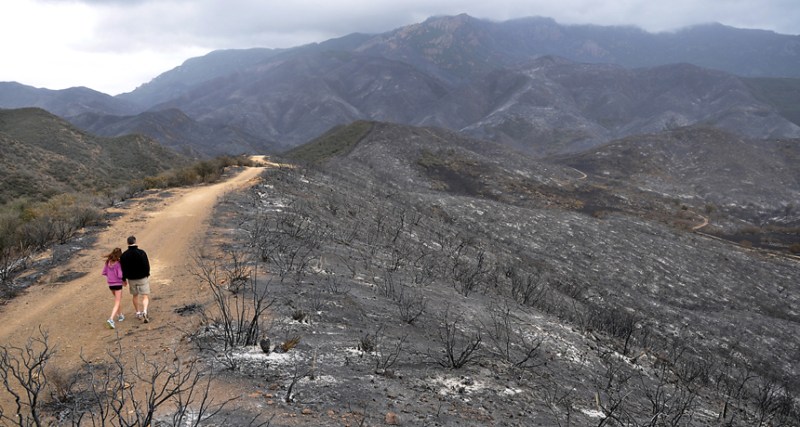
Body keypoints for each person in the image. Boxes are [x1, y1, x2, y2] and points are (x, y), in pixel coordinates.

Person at [120, 235, 151, 323]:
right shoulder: (141, 252)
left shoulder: (124, 255)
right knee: (145, 296)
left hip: (131, 279)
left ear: (127, 243)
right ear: (135, 241)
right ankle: (145, 311)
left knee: (135, 295)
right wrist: (147, 274)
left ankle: (138, 312)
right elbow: (146, 265)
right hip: (142, 277)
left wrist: (124, 279)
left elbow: (123, 269)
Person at [101, 248, 126, 329]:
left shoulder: (108, 262)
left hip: (111, 285)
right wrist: (124, 280)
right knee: (117, 301)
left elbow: (104, 272)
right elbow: (120, 275)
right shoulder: (118, 263)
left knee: (117, 300)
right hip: (118, 284)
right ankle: (111, 319)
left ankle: (120, 315)